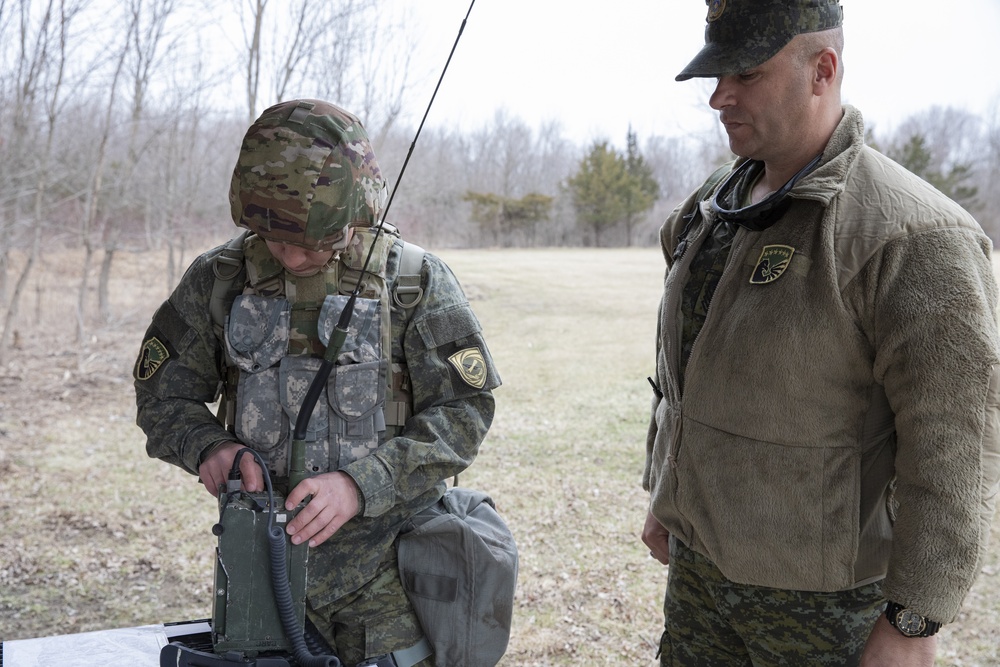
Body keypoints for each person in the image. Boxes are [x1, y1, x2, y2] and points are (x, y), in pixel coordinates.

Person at [640, 2, 1000, 666]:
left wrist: (911, 623)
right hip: (700, 582)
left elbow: (955, 455)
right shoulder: (710, 208)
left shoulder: (913, 235)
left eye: (745, 73)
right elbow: (680, 370)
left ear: (822, 70)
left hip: (823, 607)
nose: (720, 96)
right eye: (717, 74)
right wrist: (669, 495)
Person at [133, 99, 502, 666]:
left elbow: (463, 415)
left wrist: (362, 485)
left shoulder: (411, 282)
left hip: (390, 575)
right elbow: (164, 395)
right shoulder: (220, 280)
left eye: (313, 239)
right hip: (264, 566)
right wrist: (210, 446)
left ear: (355, 213)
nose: (293, 254)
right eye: (275, 238)